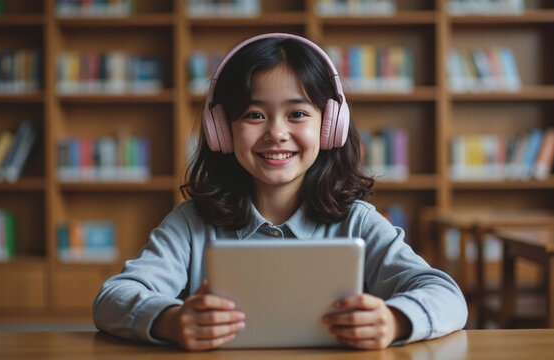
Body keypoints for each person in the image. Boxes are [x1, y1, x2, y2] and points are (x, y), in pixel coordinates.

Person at [93, 33, 467, 351]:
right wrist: (171, 321)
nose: (276, 132)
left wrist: (396, 320)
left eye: (297, 114)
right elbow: (112, 299)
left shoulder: (358, 223)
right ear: (221, 130)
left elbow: (446, 296)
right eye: (254, 115)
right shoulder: (190, 225)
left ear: (330, 128)